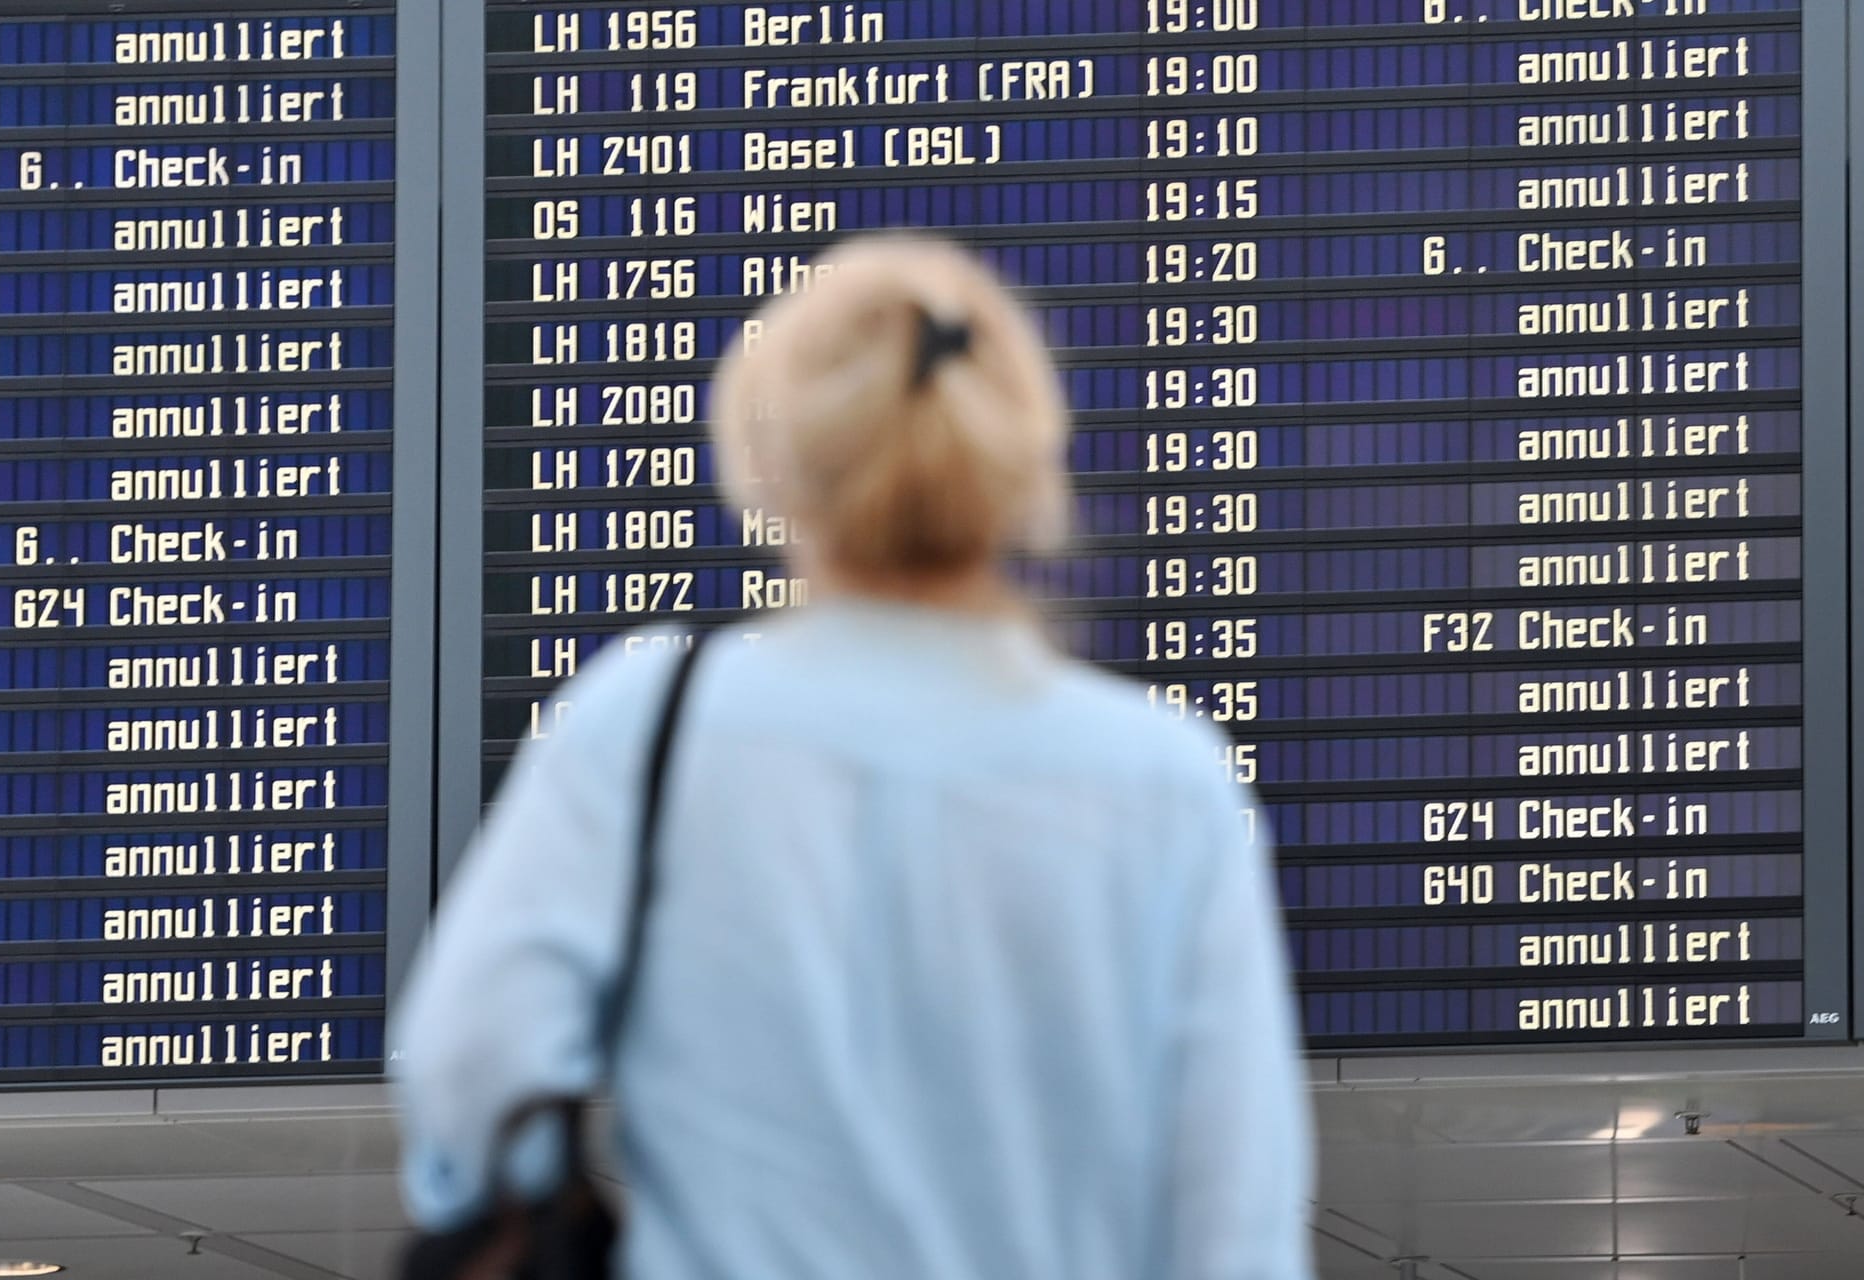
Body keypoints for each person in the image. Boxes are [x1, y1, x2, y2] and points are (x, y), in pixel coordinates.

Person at [392, 235, 1315, 1278]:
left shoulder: (650, 719)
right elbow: (1232, 1218)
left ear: (771, 459)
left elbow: (474, 1061)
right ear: (1019, 459)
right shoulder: (1165, 780)